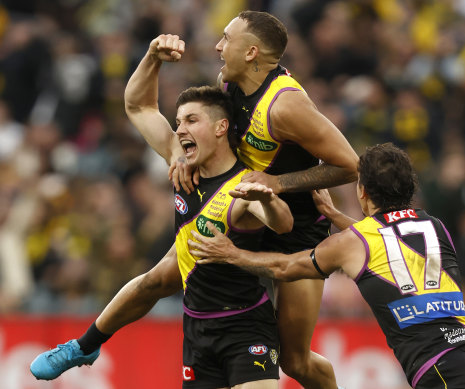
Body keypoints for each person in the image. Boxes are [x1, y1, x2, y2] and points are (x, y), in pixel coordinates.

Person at [31, 10, 358, 389]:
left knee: (294, 359)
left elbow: (349, 165)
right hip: (236, 204)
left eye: (226, 39)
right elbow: (158, 114)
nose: (218, 47)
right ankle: (84, 345)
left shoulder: (285, 106)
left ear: (251, 52)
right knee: (160, 278)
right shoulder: (228, 85)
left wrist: (276, 184)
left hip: (294, 228)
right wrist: (184, 154)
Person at [31, 82, 295, 388]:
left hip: (246, 326)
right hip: (197, 328)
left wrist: (266, 198)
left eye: (192, 120)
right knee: (152, 280)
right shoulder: (181, 163)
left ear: (222, 126)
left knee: (155, 280)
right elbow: (138, 106)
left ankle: (83, 346)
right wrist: (154, 56)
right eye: (179, 121)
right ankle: (83, 346)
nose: (180, 129)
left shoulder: (242, 186)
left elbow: (282, 223)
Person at [189, 143, 465, 389]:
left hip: (442, 369)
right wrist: (335, 216)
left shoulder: (354, 242)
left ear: (363, 191)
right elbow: (388, 242)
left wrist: (231, 253)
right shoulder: (434, 226)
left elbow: (287, 268)